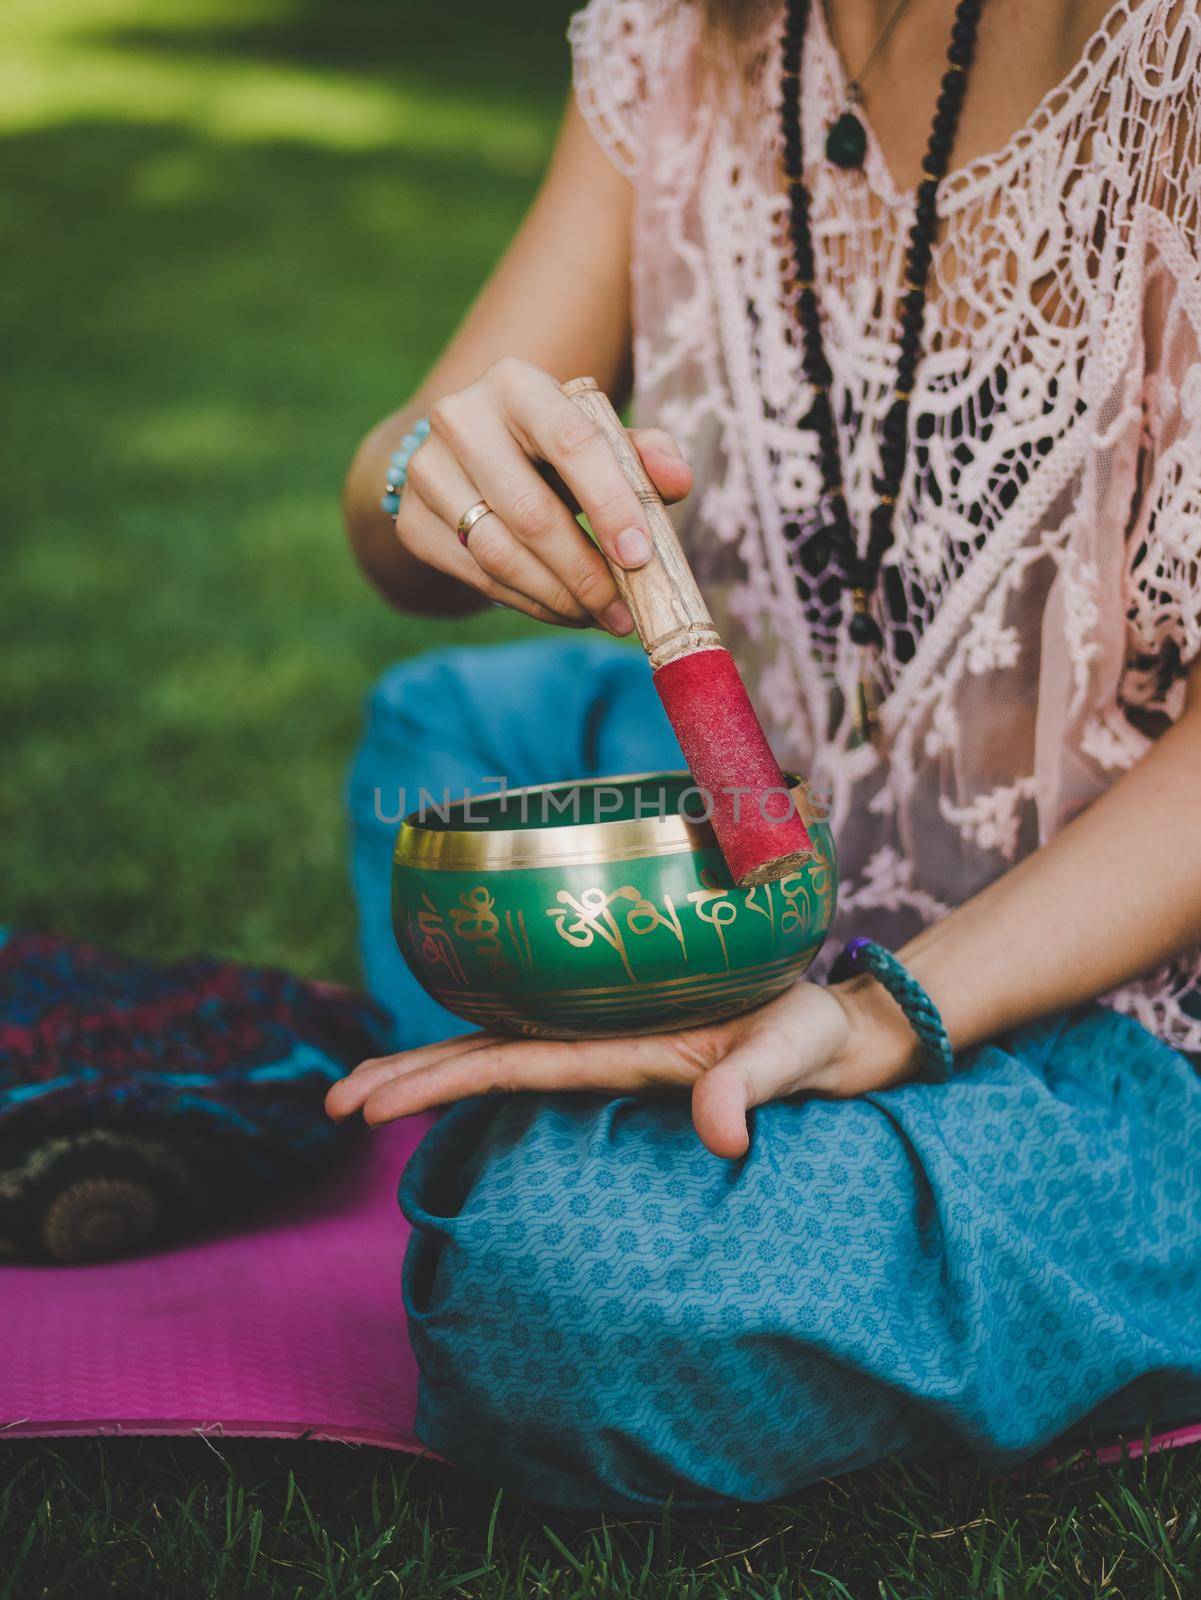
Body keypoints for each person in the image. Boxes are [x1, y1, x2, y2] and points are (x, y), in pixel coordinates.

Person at [327, 0, 1201, 1510]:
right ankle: (685, 1102)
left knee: (553, 1280)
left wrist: (885, 1014)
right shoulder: (681, 34)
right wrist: (436, 463)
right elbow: (390, 505)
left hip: (1134, 975)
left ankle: (669, 1143)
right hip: (811, 840)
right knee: (440, 738)